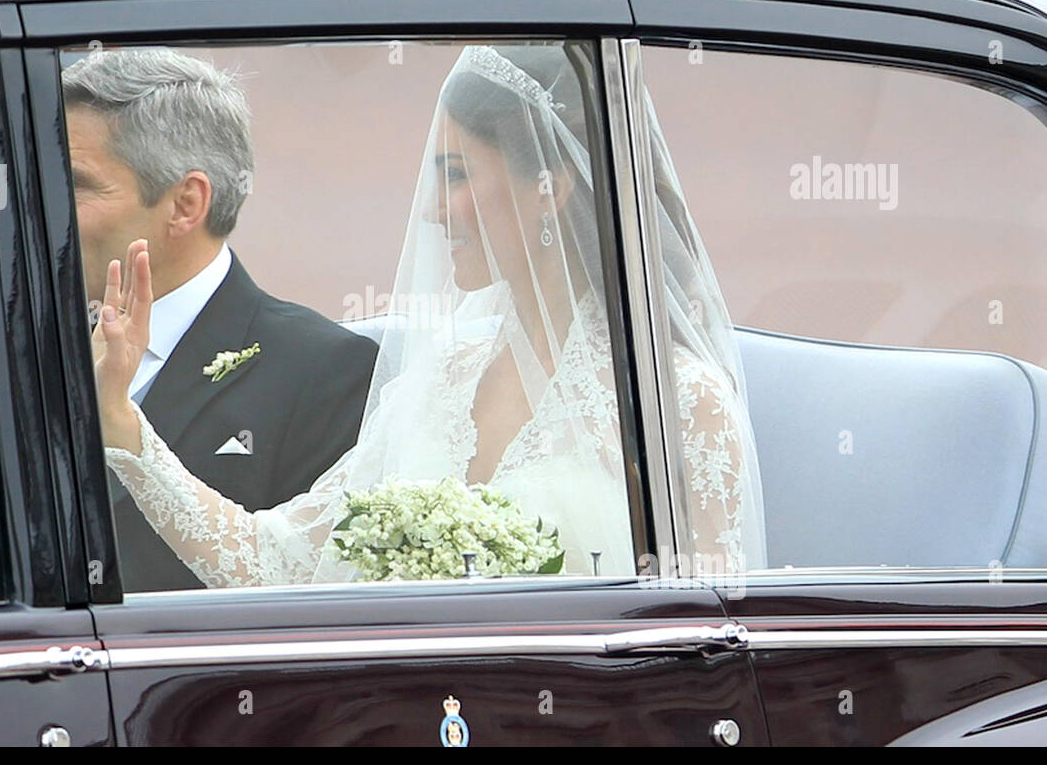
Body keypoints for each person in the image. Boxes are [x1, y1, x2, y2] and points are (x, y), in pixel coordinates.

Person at [94, 43, 766, 587]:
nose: (432, 210)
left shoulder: (678, 403)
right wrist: (124, 424)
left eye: (456, 174)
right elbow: (278, 561)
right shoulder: (440, 380)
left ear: (549, 188)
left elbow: (713, 644)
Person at [63, 48, 378, 591]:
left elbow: (314, 600)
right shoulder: (31, 344)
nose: (39, 207)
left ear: (186, 203)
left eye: (77, 183)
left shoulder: (328, 370)